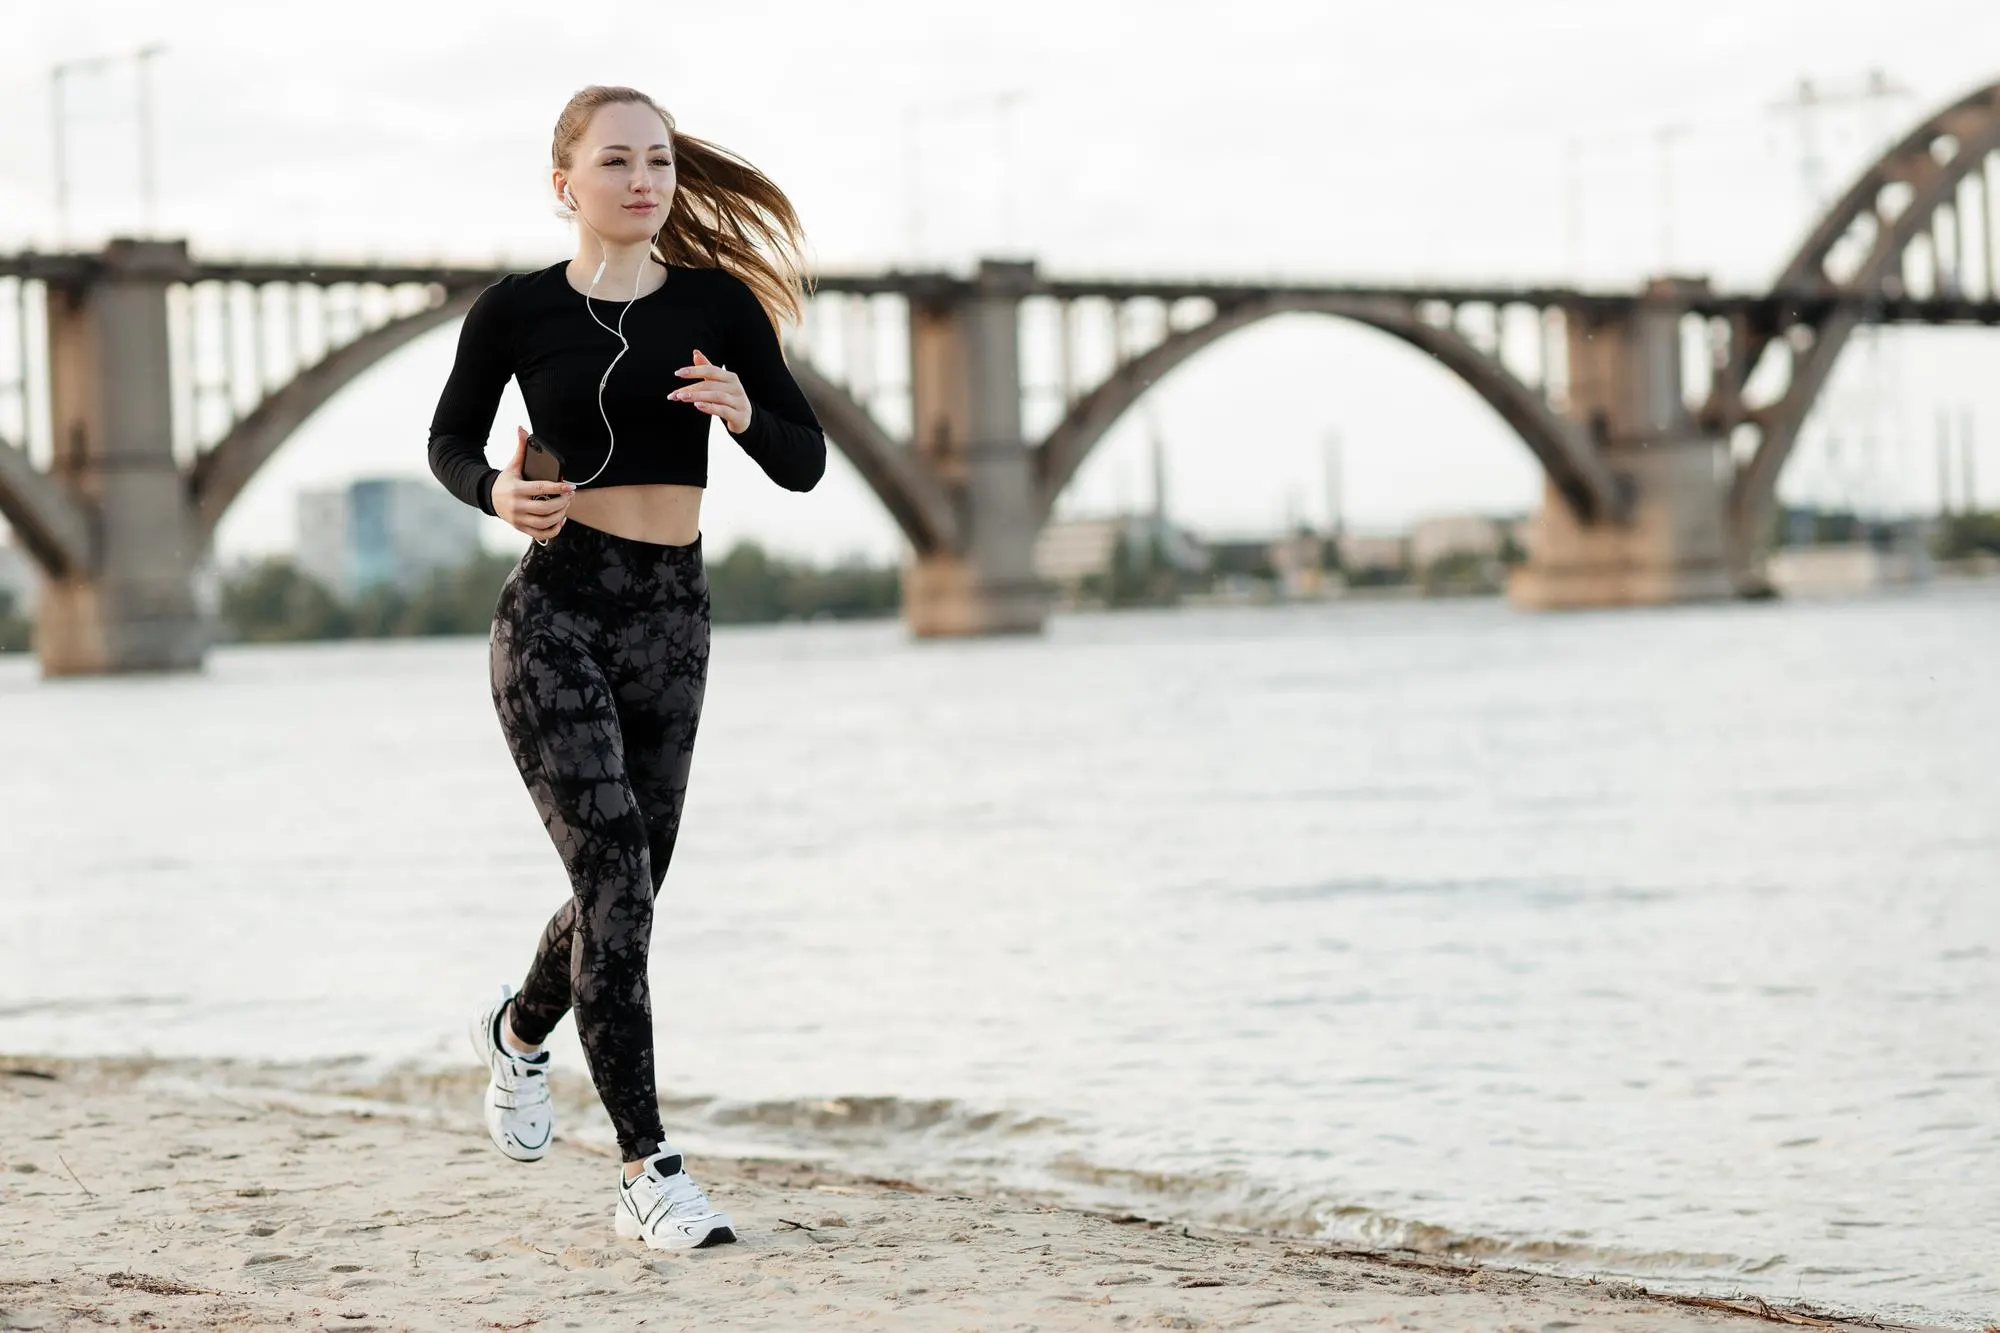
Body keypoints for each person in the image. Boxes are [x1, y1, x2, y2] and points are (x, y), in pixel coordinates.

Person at [426, 84, 825, 1251]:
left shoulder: (717, 304)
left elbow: (801, 464)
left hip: (671, 617)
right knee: (615, 884)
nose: (643, 178)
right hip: (554, 614)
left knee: (629, 890)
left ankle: (517, 1032)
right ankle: (648, 1169)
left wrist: (747, 411)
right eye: (616, 161)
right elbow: (451, 439)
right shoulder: (515, 312)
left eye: (657, 160)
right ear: (566, 185)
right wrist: (493, 490)